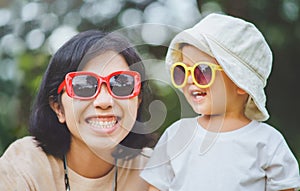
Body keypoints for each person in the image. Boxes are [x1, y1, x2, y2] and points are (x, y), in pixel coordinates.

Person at [140, 13, 300, 191]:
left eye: (202, 71)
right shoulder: (176, 135)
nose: (190, 80)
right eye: (182, 71)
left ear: (241, 82)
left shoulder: (267, 142)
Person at [0, 30, 154, 190]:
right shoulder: (25, 163)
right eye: (84, 86)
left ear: (138, 100)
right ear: (58, 107)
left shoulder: (155, 171)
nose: (104, 102)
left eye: (122, 84)